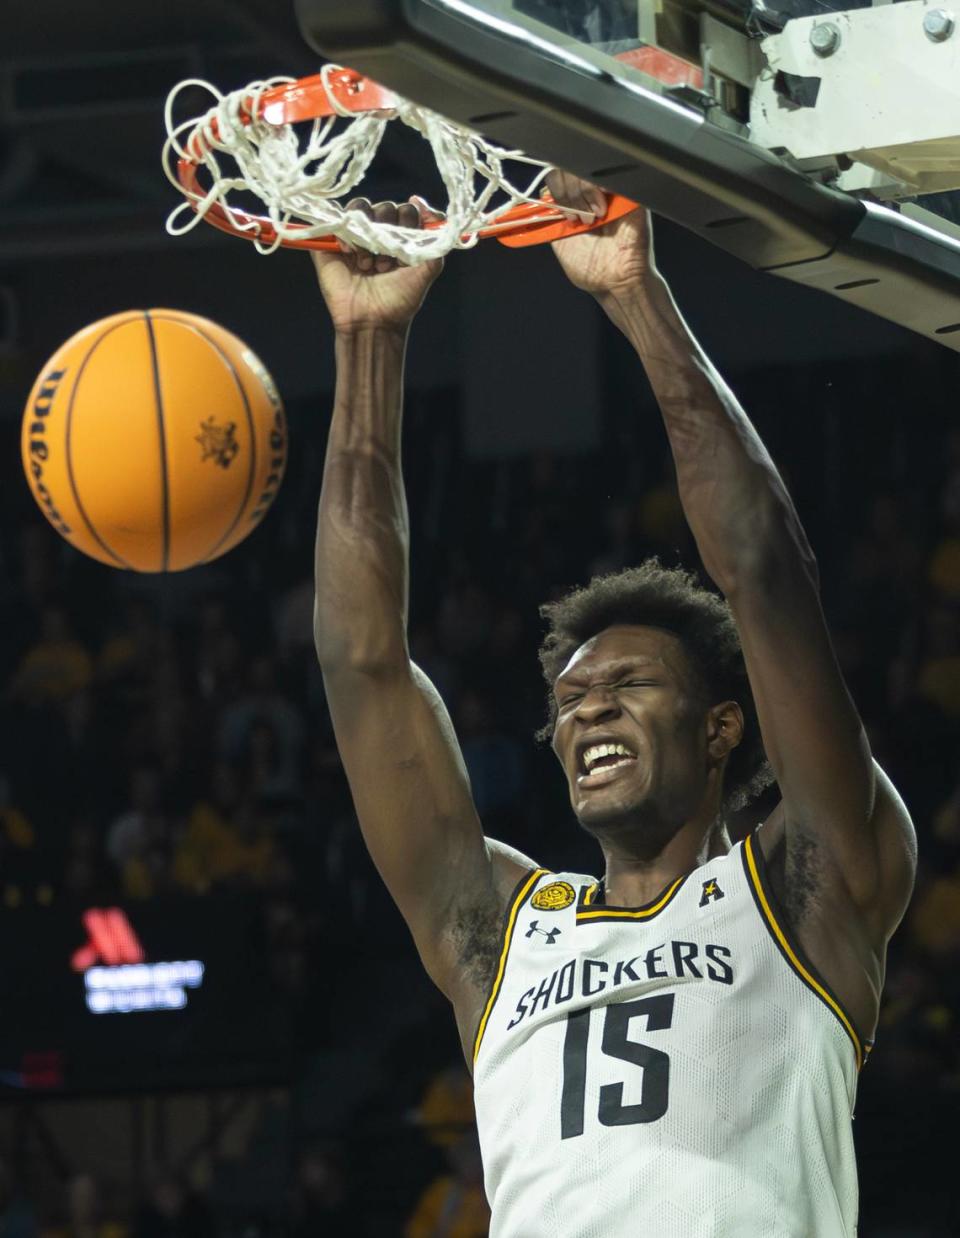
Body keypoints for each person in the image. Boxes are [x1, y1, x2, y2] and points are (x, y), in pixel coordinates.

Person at [311, 183, 916, 1237]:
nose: (587, 713)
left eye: (627, 687)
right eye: (571, 700)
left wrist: (638, 297)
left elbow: (766, 572)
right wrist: (369, 340)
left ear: (722, 726)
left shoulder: (807, 883)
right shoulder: (500, 929)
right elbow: (362, 661)